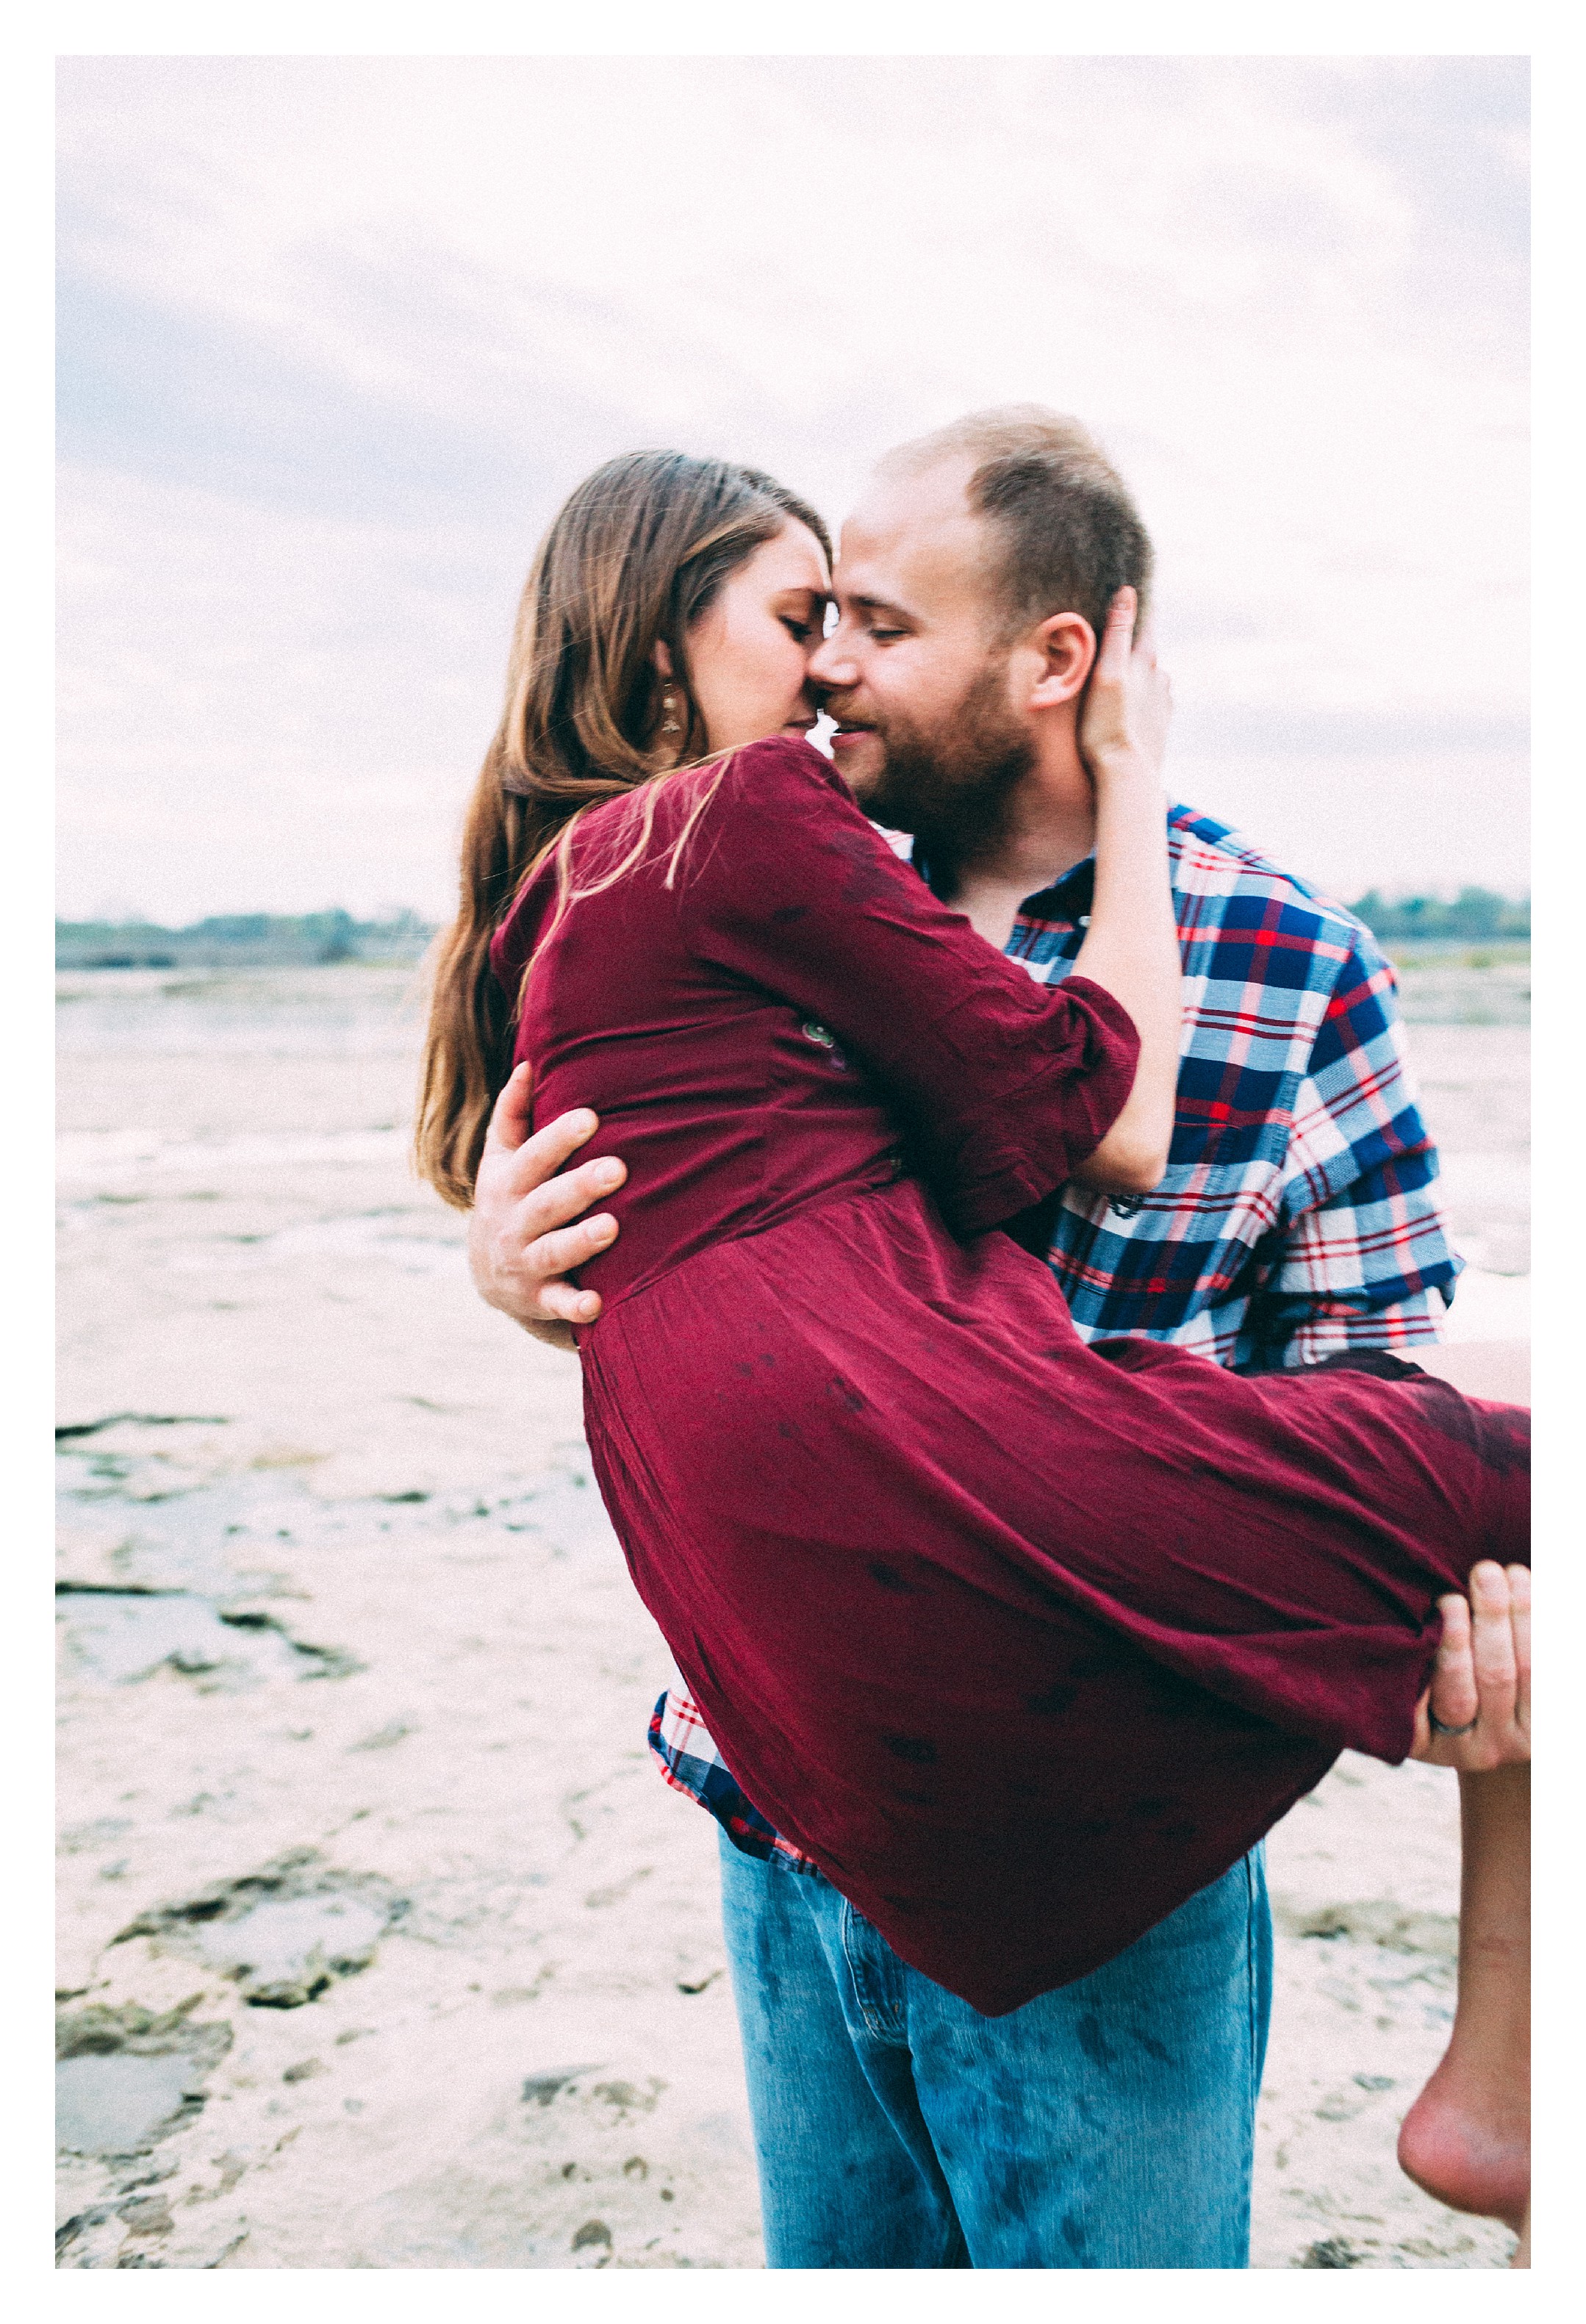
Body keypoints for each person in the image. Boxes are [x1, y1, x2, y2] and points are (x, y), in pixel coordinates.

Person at [423, 429, 1529, 2268]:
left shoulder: (1285, 954)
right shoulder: (784, 882)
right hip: (768, 1792)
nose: (836, 662)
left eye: (870, 619)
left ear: (1055, 662)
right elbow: (734, 1317)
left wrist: (1442, 1600)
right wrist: (507, 1263)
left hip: (1103, 1837)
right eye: (814, 617)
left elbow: (1364, 1355)